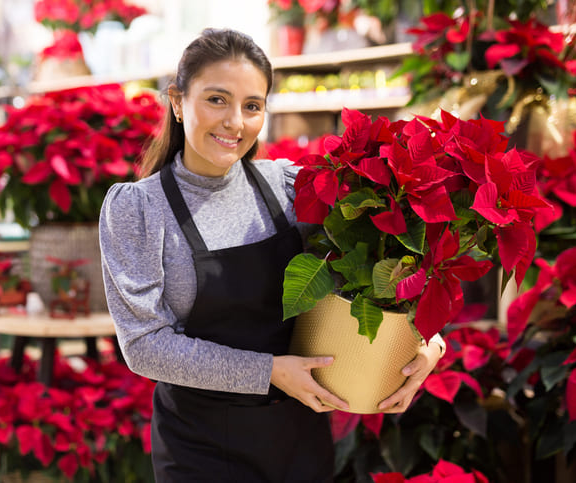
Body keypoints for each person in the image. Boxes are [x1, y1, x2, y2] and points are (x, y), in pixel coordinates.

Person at [99, 28, 444, 482]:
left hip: (299, 438)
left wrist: (429, 343)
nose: (235, 123)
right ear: (178, 102)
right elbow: (145, 346)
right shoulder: (139, 209)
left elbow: (382, 262)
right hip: (200, 449)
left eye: (252, 106)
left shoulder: (288, 186)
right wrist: (268, 372)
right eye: (217, 100)